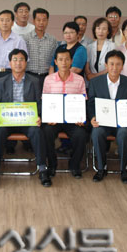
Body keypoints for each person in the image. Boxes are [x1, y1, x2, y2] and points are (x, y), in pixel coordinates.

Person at [0, 49, 51, 188]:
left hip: (28, 121)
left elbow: (39, 102)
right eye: (15, 60)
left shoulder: (34, 81)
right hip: (8, 120)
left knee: (37, 132)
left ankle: (42, 169)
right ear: (10, 63)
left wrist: (39, 116)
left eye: (21, 59)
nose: (18, 63)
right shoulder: (1, 81)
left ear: (26, 63)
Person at [88, 50, 127, 184]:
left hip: (122, 123)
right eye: (111, 64)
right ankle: (101, 168)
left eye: (118, 64)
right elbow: (91, 103)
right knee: (97, 133)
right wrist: (92, 117)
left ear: (122, 66)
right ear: (106, 65)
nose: (114, 68)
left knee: (124, 134)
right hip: (103, 122)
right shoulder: (95, 82)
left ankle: (123, 169)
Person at [42, 49, 87, 179]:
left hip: (73, 120)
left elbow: (83, 101)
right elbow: (45, 101)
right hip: (54, 120)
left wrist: (81, 118)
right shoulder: (48, 79)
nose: (64, 62)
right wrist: (48, 118)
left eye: (67, 59)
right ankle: (52, 164)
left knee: (81, 134)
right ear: (55, 62)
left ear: (71, 61)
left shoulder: (79, 79)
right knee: (46, 132)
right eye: (60, 59)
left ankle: (74, 165)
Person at [0, 9, 28, 90]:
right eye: (2, 20)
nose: (4, 23)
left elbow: (24, 62)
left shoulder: (19, 40)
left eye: (7, 20)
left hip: (11, 74)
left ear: (12, 23)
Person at [21, 7, 57, 89]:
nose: (41, 23)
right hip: (29, 76)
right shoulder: (25, 38)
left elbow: (54, 60)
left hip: (47, 77)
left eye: (44, 20)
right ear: (34, 21)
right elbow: (22, 59)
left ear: (47, 21)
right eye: (38, 20)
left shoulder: (52, 40)